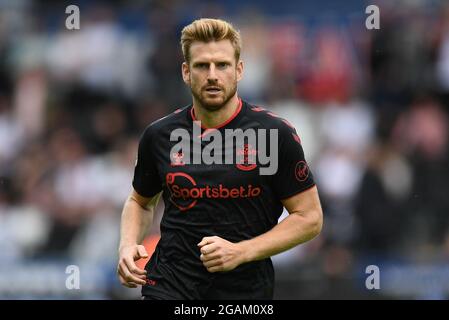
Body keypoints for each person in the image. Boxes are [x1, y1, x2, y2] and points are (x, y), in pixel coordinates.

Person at [117, 18, 323, 300]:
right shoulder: (159, 135)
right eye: (202, 66)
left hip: (244, 294)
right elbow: (139, 202)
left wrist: (242, 251)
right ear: (186, 72)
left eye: (222, 65)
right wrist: (128, 245)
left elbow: (310, 217)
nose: (212, 75)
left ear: (239, 70)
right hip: (170, 285)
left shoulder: (275, 135)